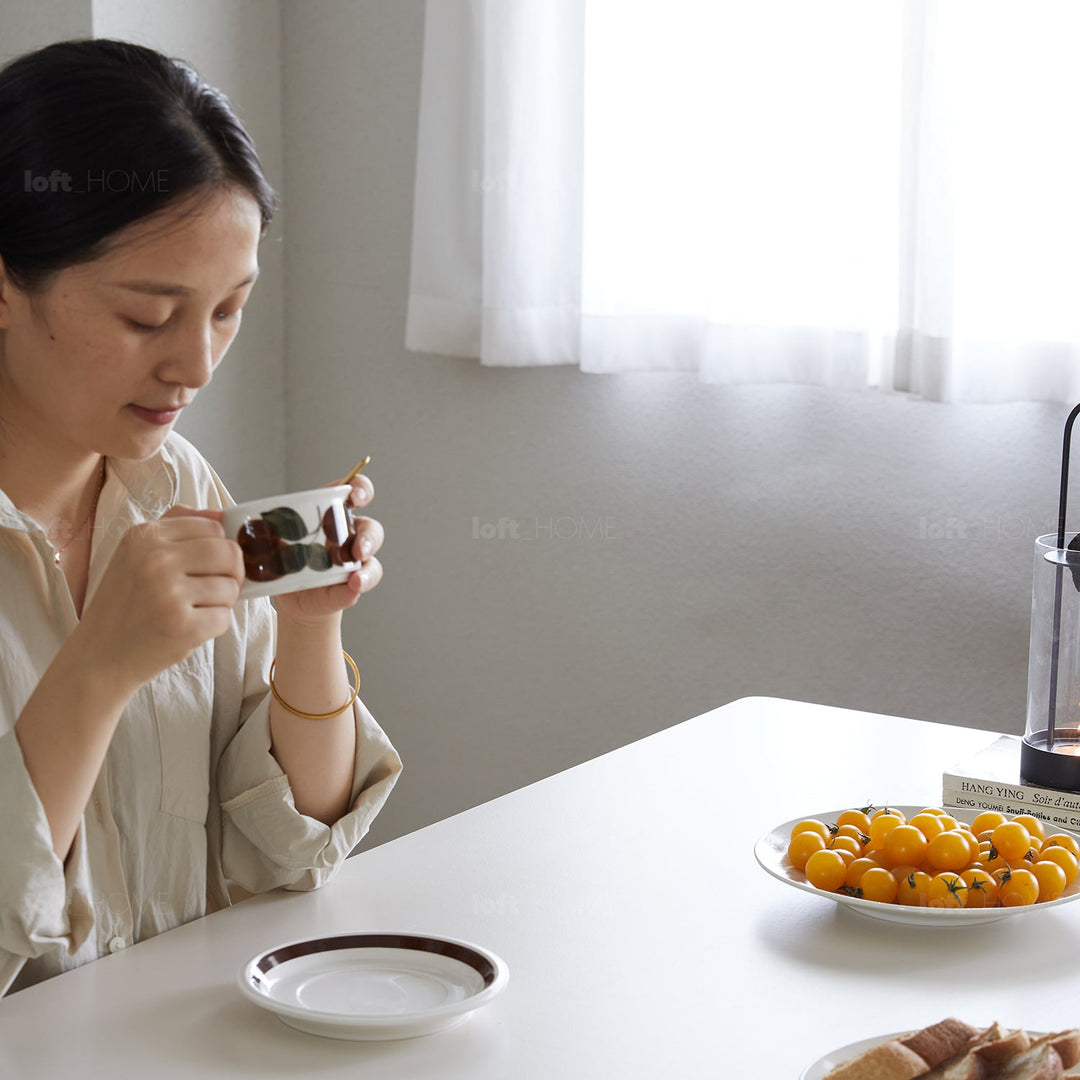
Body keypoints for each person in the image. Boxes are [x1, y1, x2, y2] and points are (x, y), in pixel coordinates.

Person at [0, 38, 401, 996]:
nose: (196, 365)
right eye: (148, 316)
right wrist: (97, 669)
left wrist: (311, 628)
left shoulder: (174, 483)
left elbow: (290, 855)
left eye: (229, 309)